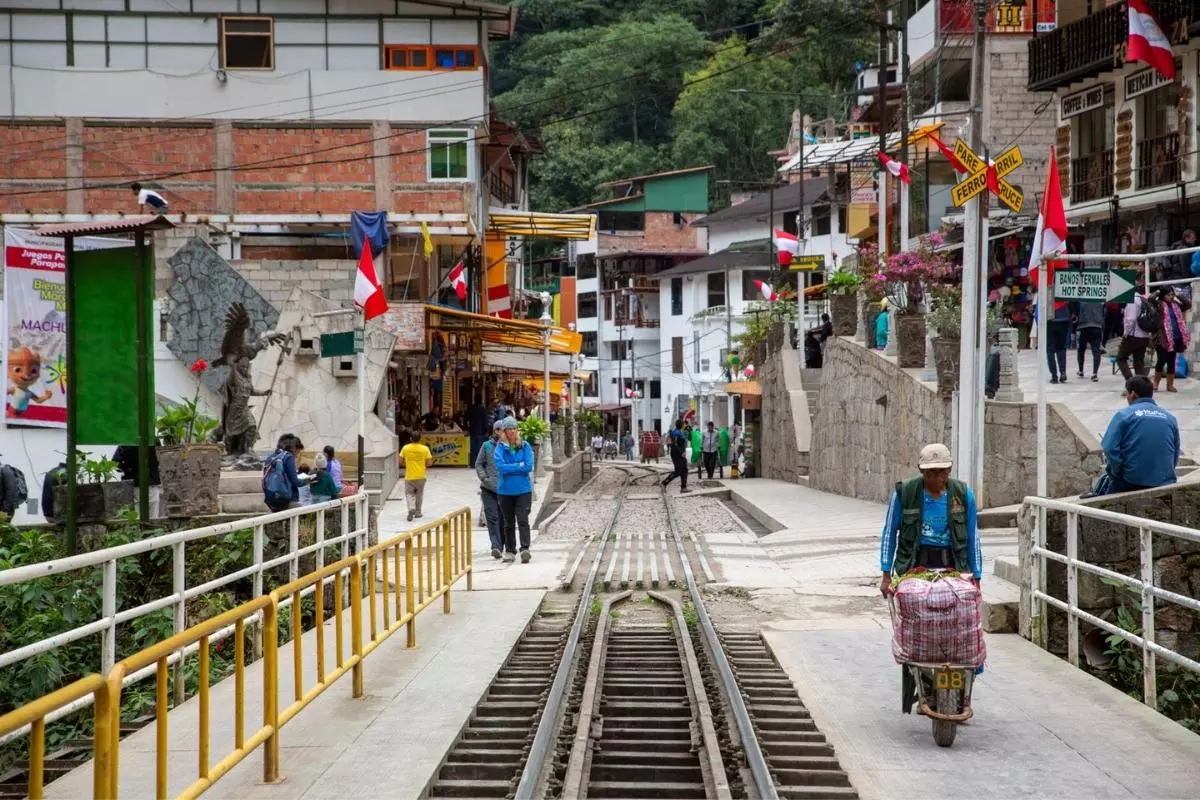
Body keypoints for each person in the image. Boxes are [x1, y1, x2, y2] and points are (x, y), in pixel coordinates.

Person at [878, 443, 982, 599]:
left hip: (953, 567)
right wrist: (886, 574)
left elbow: (973, 537)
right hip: (913, 567)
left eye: (942, 472)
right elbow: (889, 533)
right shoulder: (904, 493)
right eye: (931, 472)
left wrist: (977, 576)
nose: (937, 478)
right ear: (921, 471)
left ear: (950, 469)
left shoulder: (964, 495)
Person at [1089, 376, 1179, 496]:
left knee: (1103, 486)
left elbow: (1109, 449)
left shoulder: (1124, 415)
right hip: (1165, 481)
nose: (1126, 397)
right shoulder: (1170, 418)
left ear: (1133, 394)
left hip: (1131, 481)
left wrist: (1117, 472)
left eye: (1127, 394)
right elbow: (1175, 452)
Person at [494, 417, 535, 563]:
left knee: (523, 520)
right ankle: (510, 550)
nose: (512, 431)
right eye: (509, 429)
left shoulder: (525, 446)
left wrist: (512, 467)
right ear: (504, 431)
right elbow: (501, 467)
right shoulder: (500, 448)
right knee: (508, 522)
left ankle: (525, 549)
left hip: (523, 490)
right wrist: (519, 465)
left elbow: (528, 466)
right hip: (505, 491)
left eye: (514, 428)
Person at [475, 420, 504, 559]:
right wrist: (484, 478)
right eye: (500, 430)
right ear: (495, 431)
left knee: (504, 518)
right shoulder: (486, 446)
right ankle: (496, 546)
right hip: (488, 489)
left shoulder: (509, 446)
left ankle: (503, 544)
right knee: (492, 518)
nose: (502, 432)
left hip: (505, 489)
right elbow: (479, 464)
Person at [1153, 287, 1190, 393]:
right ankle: (1155, 383)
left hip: (1175, 337)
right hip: (1162, 338)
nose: (1171, 297)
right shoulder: (1158, 305)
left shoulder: (1175, 304)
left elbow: (1188, 304)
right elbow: (1150, 299)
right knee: (1161, 360)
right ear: (1163, 295)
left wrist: (1178, 294)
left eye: (1171, 294)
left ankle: (1170, 385)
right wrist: (1157, 292)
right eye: (1168, 295)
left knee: (1171, 361)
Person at [1116, 286, 1155, 381]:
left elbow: (1131, 319)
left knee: (1120, 358)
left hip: (1133, 336)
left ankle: (1131, 382)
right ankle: (1141, 385)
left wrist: (1125, 333)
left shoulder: (1132, 300)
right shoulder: (1144, 300)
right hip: (1144, 336)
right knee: (1139, 362)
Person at [263, 434, 304, 513]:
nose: (297, 454)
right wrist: (307, 481)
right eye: (298, 451)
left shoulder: (270, 457)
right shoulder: (288, 457)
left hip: (272, 497)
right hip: (288, 498)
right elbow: (295, 481)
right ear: (294, 448)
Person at [399, 432, 434, 522]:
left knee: (409, 493)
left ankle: (411, 508)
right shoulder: (425, 449)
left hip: (409, 476)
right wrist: (423, 464)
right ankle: (418, 512)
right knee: (419, 494)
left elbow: (400, 461)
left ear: (411, 438)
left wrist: (406, 463)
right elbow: (430, 463)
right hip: (421, 476)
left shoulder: (405, 448)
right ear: (420, 439)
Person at [1072, 300, 1105, 382]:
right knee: (1096, 351)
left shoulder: (1080, 300)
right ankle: (1095, 373)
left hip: (1082, 327)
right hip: (1097, 327)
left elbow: (1075, 314)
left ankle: (1081, 370)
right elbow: (1104, 313)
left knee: (1081, 350)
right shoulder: (1100, 299)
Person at [1045, 298, 1071, 384]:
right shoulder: (1064, 292)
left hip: (1050, 321)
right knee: (1061, 348)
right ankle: (1063, 373)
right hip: (1064, 320)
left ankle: (1054, 376)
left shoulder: (1045, 291)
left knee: (1050, 350)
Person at [661, 420, 691, 493]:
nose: (684, 425)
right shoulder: (676, 433)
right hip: (677, 454)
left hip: (681, 454)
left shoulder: (680, 432)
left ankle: (683, 487)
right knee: (677, 471)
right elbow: (674, 444)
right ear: (681, 425)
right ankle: (664, 483)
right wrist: (681, 452)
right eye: (683, 424)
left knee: (684, 470)